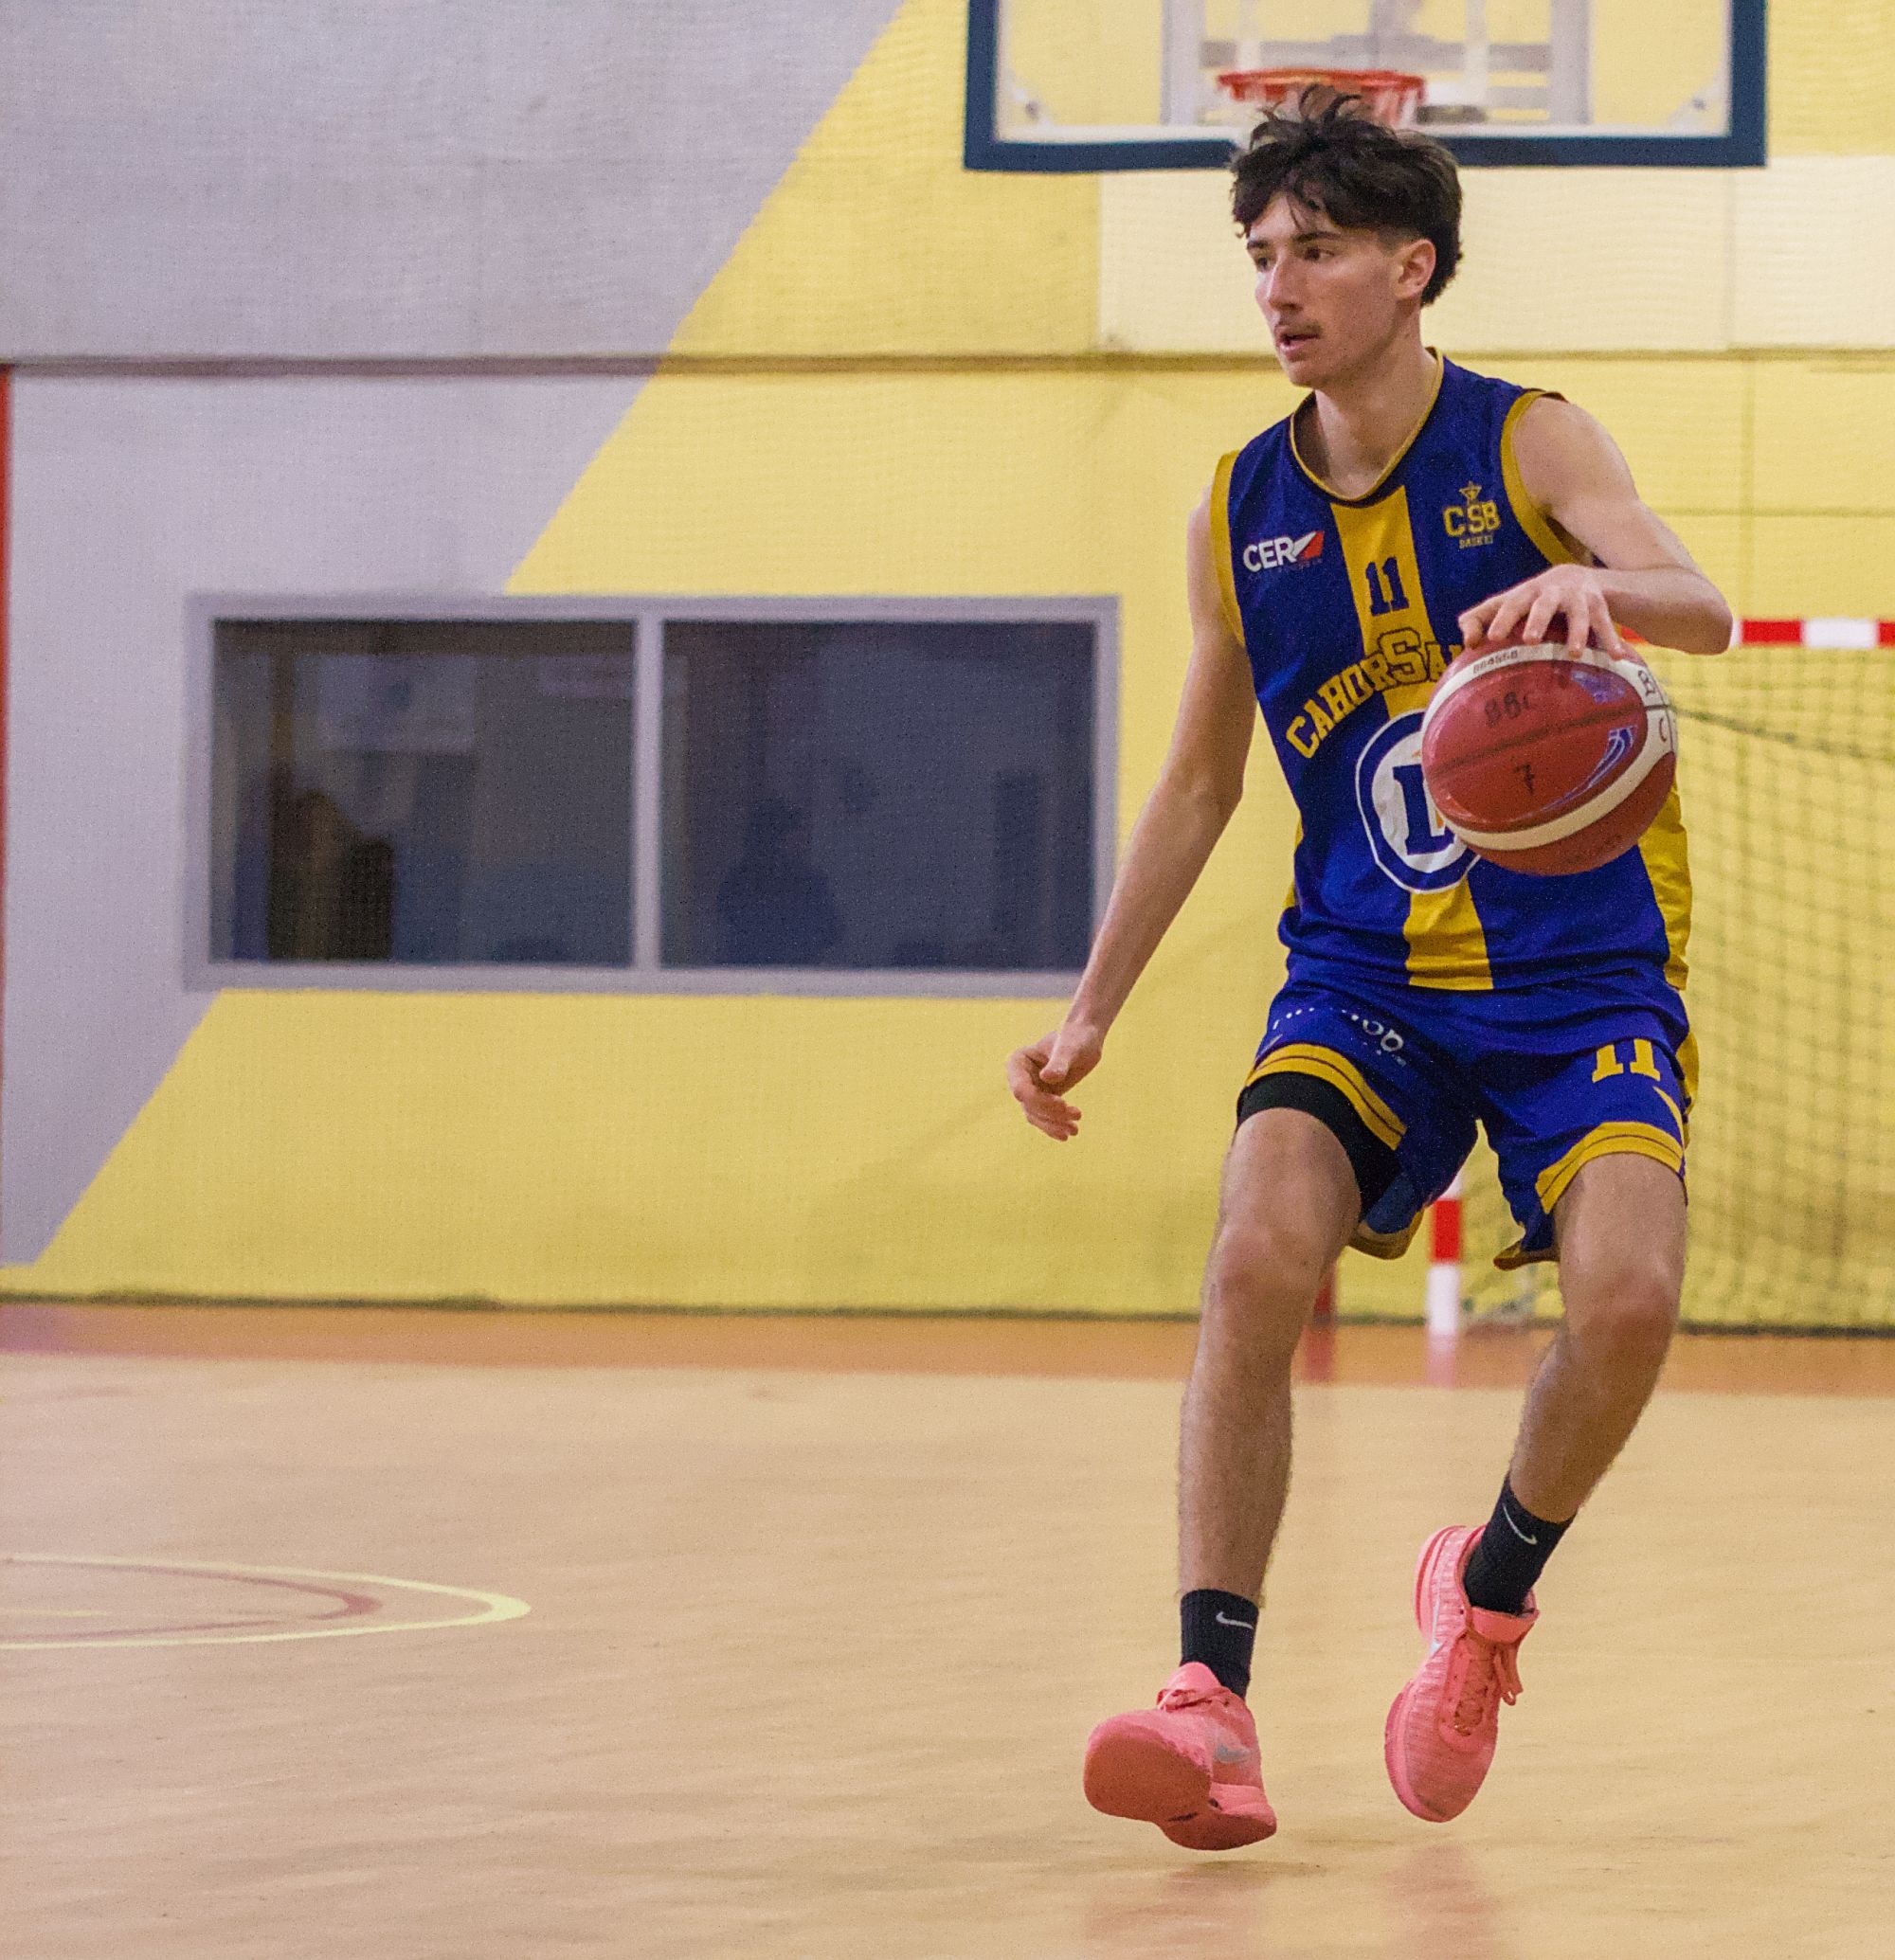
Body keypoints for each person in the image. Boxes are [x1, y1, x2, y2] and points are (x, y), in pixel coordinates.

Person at [1005, 91, 1732, 1849]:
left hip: (1580, 969)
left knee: (1628, 1301)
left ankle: (1484, 1602)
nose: (1278, 285)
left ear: (1412, 268)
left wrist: (1602, 596)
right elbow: (1201, 781)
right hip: (1363, 975)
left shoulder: (1529, 438)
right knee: (1257, 1249)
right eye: (1261, 254)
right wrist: (1092, 1003)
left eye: (1316, 250)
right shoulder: (1239, 505)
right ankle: (1208, 1702)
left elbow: (1700, 601)